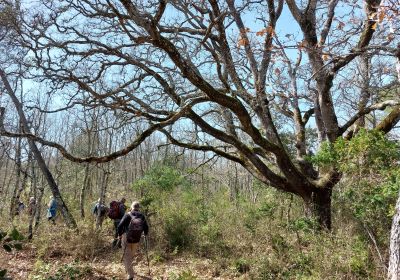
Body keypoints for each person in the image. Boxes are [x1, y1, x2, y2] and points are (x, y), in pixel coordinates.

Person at [117, 201, 149, 280]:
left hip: (127, 238)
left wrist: (119, 235)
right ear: (138, 208)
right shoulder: (142, 216)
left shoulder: (128, 215)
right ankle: (129, 269)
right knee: (131, 255)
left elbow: (119, 226)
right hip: (136, 239)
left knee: (127, 256)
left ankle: (131, 275)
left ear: (131, 207)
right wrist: (145, 234)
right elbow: (146, 228)